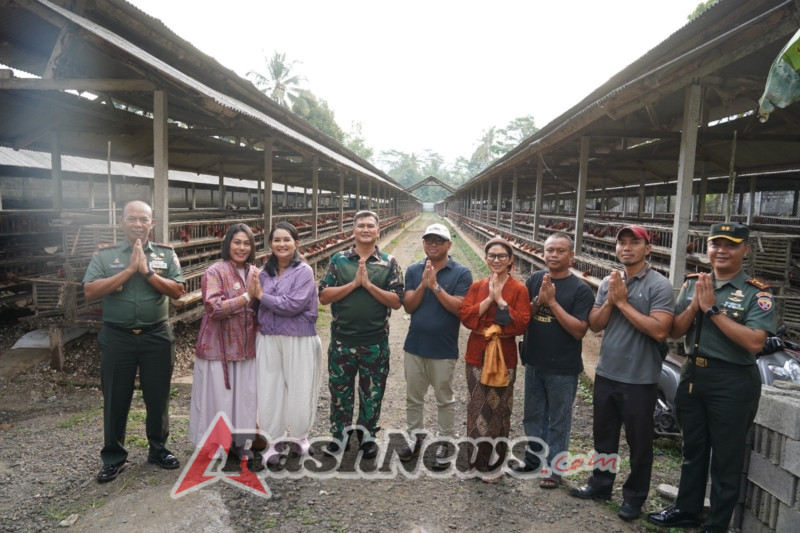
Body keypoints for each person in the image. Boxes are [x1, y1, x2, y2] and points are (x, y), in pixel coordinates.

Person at [648, 223, 775, 533]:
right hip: (694, 374)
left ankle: (717, 524)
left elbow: (755, 342)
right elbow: (676, 331)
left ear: (745, 249)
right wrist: (694, 305)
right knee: (694, 449)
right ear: (708, 248)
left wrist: (712, 310)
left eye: (731, 244)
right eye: (716, 244)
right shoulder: (695, 283)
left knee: (726, 458)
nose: (722, 250)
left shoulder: (756, 292)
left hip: (732, 380)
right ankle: (686, 510)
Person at [569, 225, 674, 521]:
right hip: (608, 372)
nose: (626, 248)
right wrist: (611, 300)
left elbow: (660, 330)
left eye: (634, 243)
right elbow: (595, 324)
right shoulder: (609, 282)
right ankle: (600, 484)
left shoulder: (659, 285)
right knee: (604, 435)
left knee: (639, 442)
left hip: (640, 377)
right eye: (622, 243)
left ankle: (634, 497)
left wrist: (623, 303)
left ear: (647, 249)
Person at [82, 200, 185, 483]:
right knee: (115, 398)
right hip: (118, 338)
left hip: (156, 336)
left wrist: (147, 272)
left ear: (152, 223)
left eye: (143, 219)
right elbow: (90, 291)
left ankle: (158, 449)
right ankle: (113, 457)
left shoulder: (165, 254)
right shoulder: (105, 255)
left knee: (158, 396)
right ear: (121, 221)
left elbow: (178, 290)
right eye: (132, 218)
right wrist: (128, 270)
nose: (138, 224)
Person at [511, 232, 594, 489]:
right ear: (543, 253)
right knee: (533, 416)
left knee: (559, 420)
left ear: (571, 256)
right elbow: (524, 316)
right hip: (534, 360)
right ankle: (533, 460)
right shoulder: (535, 279)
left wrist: (553, 303)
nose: (554, 255)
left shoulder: (580, 289)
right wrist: (539, 300)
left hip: (563, 366)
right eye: (549, 250)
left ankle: (555, 469)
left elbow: (579, 331)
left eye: (560, 250)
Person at [318, 210, 404, 458]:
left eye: (370, 226)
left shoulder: (389, 262)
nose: (365, 230)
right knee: (340, 392)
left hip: (375, 343)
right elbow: (323, 296)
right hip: (342, 341)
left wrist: (368, 285)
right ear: (353, 231)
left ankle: (367, 437)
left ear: (378, 230)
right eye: (360, 226)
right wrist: (354, 284)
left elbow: (397, 301)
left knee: (372, 393)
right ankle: (339, 436)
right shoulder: (339, 260)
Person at [399, 223, 473, 465]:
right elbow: (408, 306)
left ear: (449, 245)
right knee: (414, 397)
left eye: (439, 240)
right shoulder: (414, 270)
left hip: (443, 348)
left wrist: (436, 287)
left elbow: (460, 308)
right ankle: (414, 439)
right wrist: (423, 284)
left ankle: (444, 441)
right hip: (415, 346)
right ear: (423, 243)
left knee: (444, 397)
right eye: (429, 239)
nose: (433, 244)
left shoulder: (461, 272)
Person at [189, 224, 260, 471]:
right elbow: (214, 308)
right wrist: (246, 297)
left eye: (247, 243)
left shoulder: (255, 272)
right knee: (219, 396)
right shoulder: (215, 271)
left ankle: (241, 443)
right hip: (218, 345)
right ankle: (216, 444)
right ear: (228, 244)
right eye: (237, 242)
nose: (242, 248)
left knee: (244, 396)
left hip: (246, 344)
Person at [459, 236, 530, 482]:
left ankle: (494, 466)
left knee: (499, 409)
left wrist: (501, 302)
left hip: (504, 355)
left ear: (510, 260)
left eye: (502, 256)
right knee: (476, 408)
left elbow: (521, 323)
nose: (496, 260)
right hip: (477, 353)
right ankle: (475, 463)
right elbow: (466, 316)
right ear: (486, 258)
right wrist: (489, 299)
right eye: (492, 255)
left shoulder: (519, 289)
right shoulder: (477, 286)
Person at [251, 221, 322, 463]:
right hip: (269, 337)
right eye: (277, 240)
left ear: (296, 243)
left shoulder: (304, 271)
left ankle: (300, 437)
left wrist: (262, 296)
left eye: (287, 239)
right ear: (270, 244)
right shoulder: (263, 273)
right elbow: (260, 305)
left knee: (300, 386)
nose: (282, 244)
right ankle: (274, 440)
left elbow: (294, 305)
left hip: (298, 338)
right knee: (269, 388)